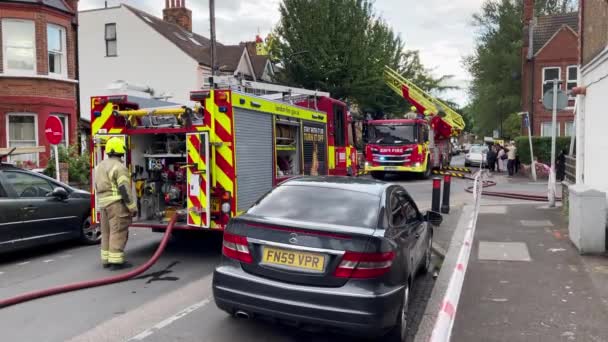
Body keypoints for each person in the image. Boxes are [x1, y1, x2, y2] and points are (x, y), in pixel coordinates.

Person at [94, 137, 137, 270]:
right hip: (116, 204)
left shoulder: (100, 166)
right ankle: (116, 262)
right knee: (118, 231)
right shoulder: (119, 167)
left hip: (103, 204)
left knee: (106, 232)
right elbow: (124, 188)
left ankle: (106, 260)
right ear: (121, 152)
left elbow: (96, 185)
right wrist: (132, 207)